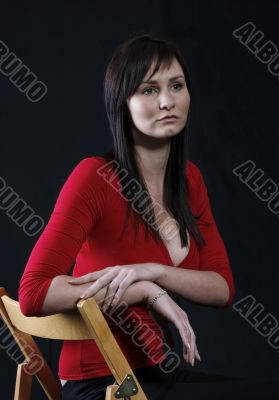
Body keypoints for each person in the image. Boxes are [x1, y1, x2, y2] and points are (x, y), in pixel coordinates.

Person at [18, 33, 235, 399]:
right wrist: (145, 290)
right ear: (123, 103)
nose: (167, 101)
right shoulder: (94, 177)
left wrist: (155, 271)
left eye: (176, 86)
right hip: (99, 383)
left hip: (154, 372)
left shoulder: (189, 180)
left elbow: (222, 288)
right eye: (149, 90)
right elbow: (33, 294)